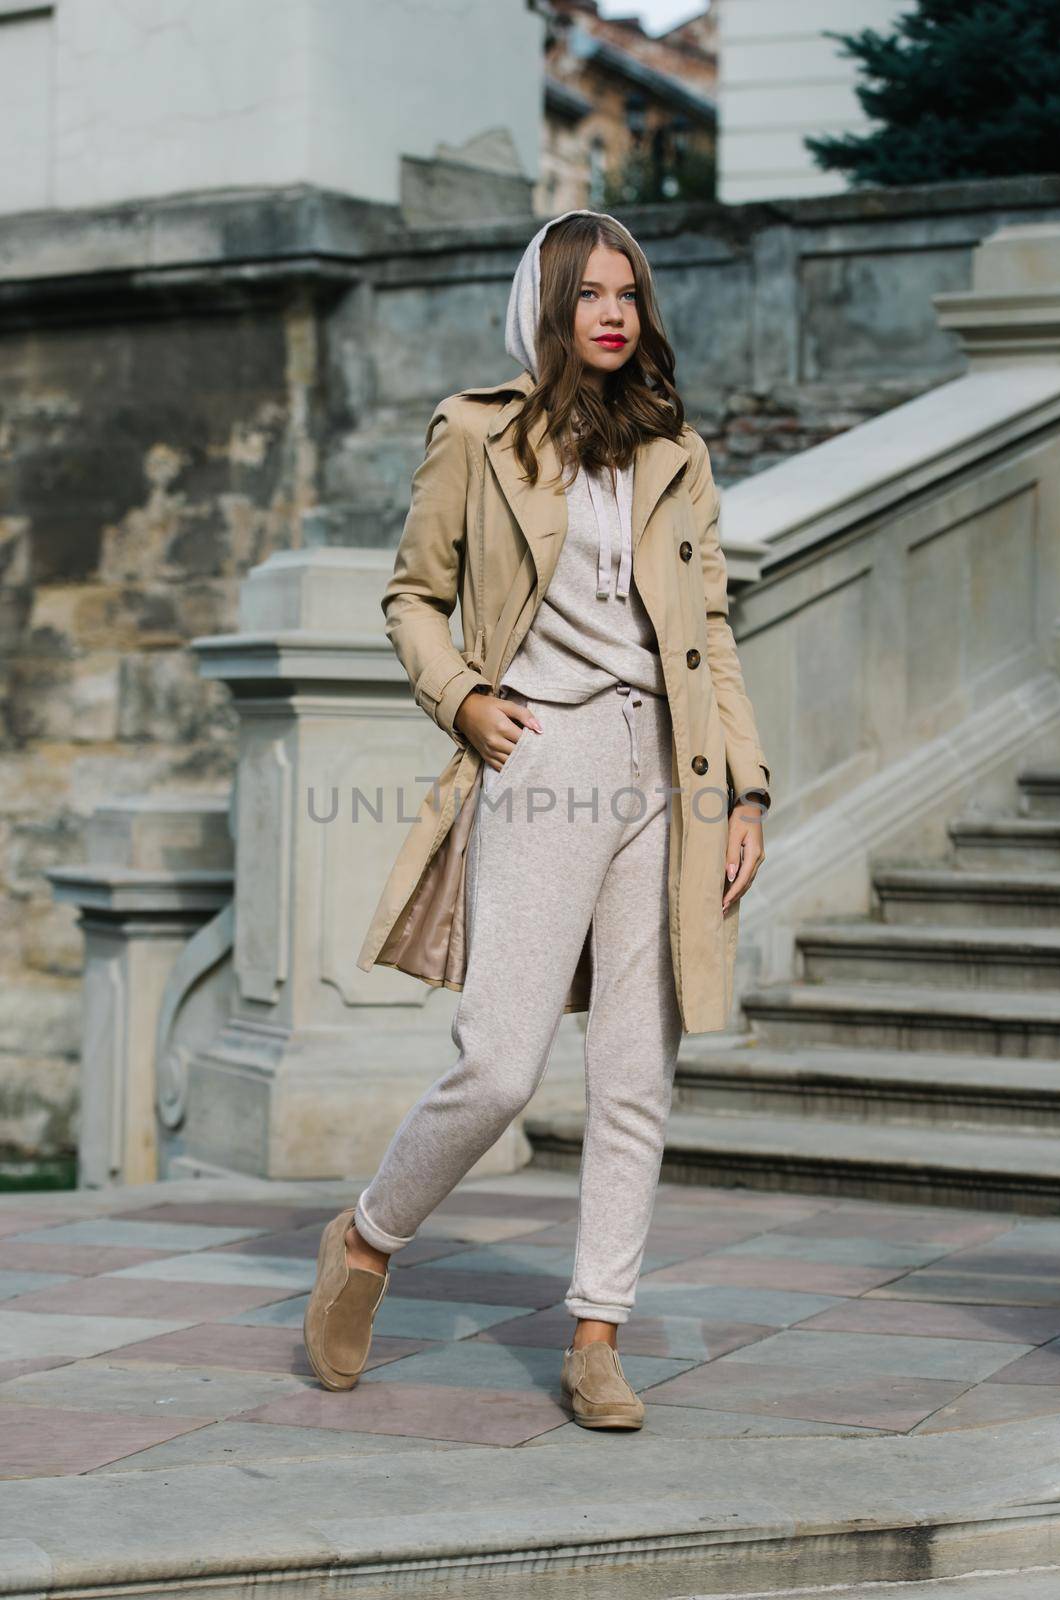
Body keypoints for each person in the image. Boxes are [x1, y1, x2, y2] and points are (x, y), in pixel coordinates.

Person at [303, 210, 771, 1430]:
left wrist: (747, 790)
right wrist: (463, 698)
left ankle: (598, 1337)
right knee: (501, 1065)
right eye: (589, 294)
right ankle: (366, 1237)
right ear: (549, 307)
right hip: (544, 754)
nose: (613, 312)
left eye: (628, 293)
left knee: (632, 1076)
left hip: (669, 771)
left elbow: (711, 633)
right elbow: (413, 595)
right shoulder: (479, 435)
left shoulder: (677, 449)